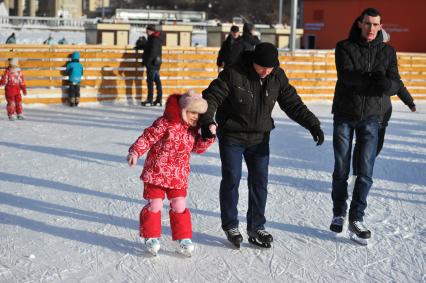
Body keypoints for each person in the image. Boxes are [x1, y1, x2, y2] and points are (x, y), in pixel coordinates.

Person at [199, 42, 324, 248]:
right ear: (253, 62)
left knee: (259, 182)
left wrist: (312, 123)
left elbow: (292, 103)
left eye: (270, 67)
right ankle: (231, 224)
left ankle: (256, 226)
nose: (265, 71)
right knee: (232, 178)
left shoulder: (277, 76)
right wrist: (207, 121)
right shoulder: (233, 73)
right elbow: (211, 97)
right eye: (261, 67)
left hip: (259, 137)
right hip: (232, 136)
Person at [330, 8, 402, 245]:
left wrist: (386, 84)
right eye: (368, 24)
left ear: (381, 27)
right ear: (360, 23)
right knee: (341, 167)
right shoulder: (344, 47)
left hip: (372, 117)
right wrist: (377, 80)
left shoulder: (388, 51)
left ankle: (356, 218)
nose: (371, 28)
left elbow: (395, 83)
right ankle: (339, 212)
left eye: (376, 25)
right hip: (344, 114)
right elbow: (347, 77)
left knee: (365, 172)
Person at [127, 90, 215, 256]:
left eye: (198, 114)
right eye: (193, 112)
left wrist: (208, 137)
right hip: (156, 173)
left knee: (179, 206)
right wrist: (135, 152)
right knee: (156, 205)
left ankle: (183, 238)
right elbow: (148, 137)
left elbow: (198, 148)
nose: (196, 117)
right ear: (183, 109)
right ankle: (151, 236)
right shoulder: (165, 123)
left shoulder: (193, 130)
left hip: (177, 176)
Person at [351, 28, 416, 177]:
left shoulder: (388, 58)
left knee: (376, 147)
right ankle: (357, 175)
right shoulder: (364, 59)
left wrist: (409, 101)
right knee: (362, 145)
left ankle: (362, 168)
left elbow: (397, 83)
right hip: (365, 110)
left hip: (383, 112)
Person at [141, 24, 163, 107]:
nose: (146, 32)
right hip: (155, 63)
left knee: (150, 82)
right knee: (157, 81)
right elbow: (149, 48)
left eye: (147, 31)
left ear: (151, 31)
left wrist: (147, 62)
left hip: (152, 64)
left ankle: (150, 100)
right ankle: (158, 100)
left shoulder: (153, 39)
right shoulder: (154, 38)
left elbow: (152, 52)